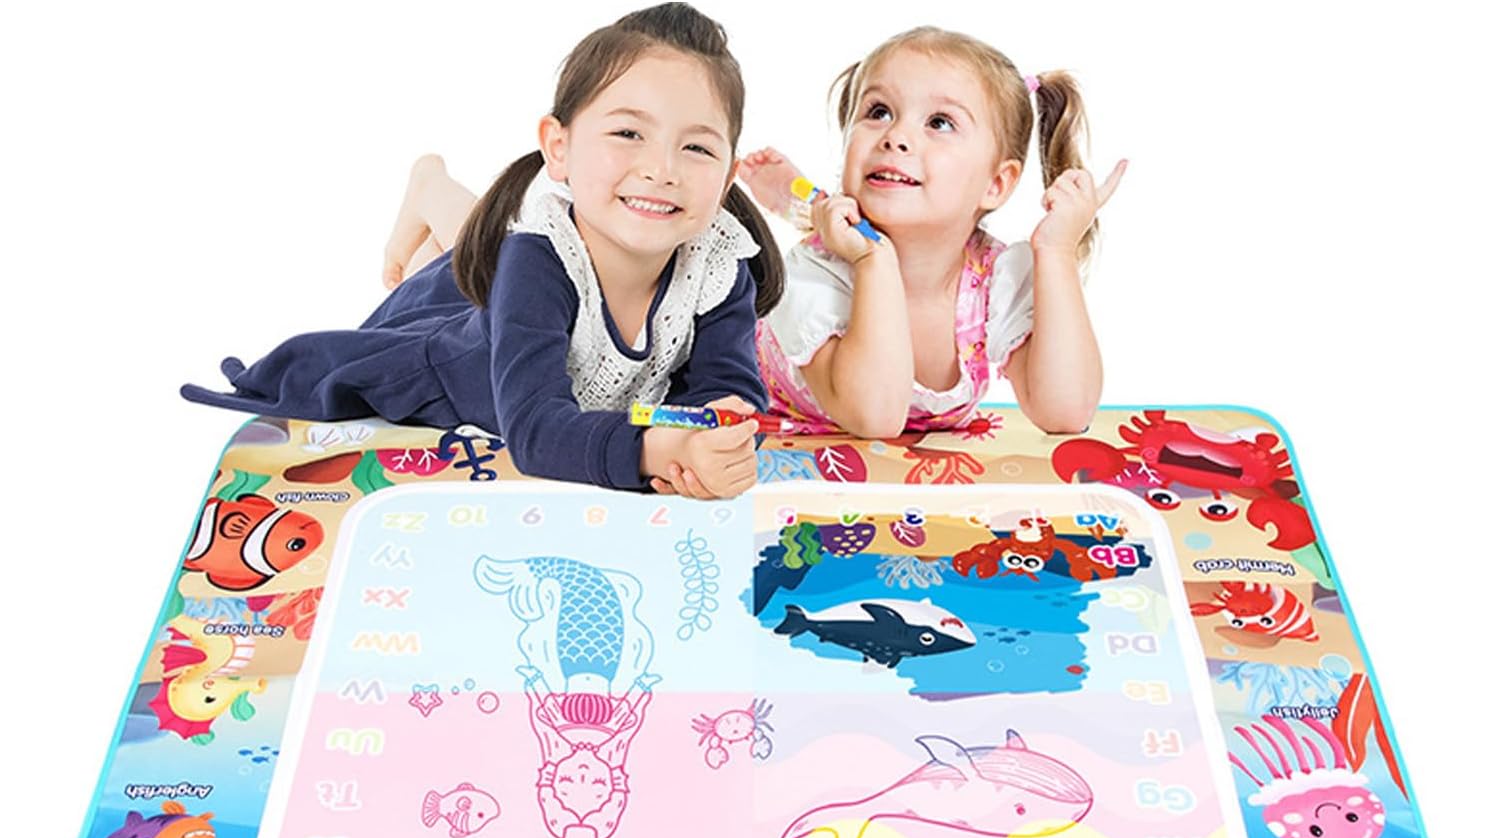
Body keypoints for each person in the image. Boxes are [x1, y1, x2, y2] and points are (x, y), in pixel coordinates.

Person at [181, 3, 784, 498]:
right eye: (629, 133)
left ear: (728, 174)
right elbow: (535, 431)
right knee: (462, 275)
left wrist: (718, 437)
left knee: (475, 254)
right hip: (463, 364)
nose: (662, 169)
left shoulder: (717, 265)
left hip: (511, 289)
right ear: (559, 148)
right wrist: (652, 451)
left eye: (697, 149)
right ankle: (430, 185)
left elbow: (728, 391)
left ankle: (433, 196)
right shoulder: (535, 262)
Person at [741, 27, 1124, 439]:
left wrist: (1057, 251)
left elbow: (1066, 411)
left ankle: (795, 198)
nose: (895, 137)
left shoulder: (996, 279)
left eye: (939, 122)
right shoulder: (813, 276)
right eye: (878, 112)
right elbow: (875, 418)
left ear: (996, 184)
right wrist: (874, 261)